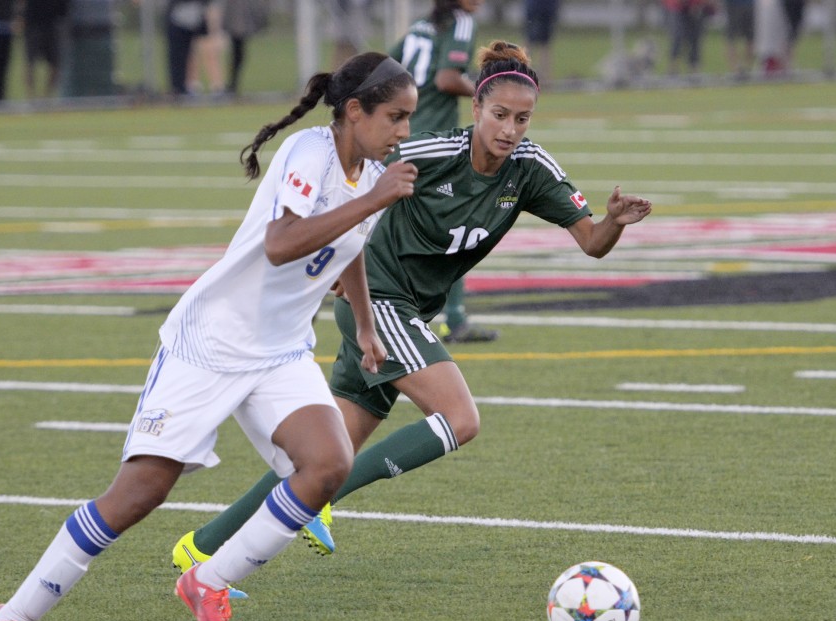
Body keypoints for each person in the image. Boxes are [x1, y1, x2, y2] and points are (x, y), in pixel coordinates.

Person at [0, 53, 417, 621]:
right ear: (352, 111)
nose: (404, 132)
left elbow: (349, 249)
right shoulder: (308, 154)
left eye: (408, 119)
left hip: (280, 349)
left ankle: (208, 581)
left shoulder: (371, 171)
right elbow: (282, 244)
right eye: (395, 117)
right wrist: (374, 202)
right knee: (138, 494)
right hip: (209, 343)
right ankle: (11, 620)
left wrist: (366, 327)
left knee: (328, 465)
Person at [171, 41, 652, 575]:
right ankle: (317, 500)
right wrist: (334, 265)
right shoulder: (425, 153)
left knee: (317, 459)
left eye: (522, 118)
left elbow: (591, 241)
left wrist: (613, 222)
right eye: (499, 115)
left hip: (404, 315)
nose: (510, 129)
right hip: (378, 304)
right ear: (476, 110)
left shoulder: (530, 169)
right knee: (459, 419)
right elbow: (350, 184)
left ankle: (202, 545)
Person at [390, 0, 499, 344]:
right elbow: (447, 77)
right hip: (433, 143)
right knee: (456, 223)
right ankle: (452, 319)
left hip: (399, 139)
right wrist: (490, 94)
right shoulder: (461, 22)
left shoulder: (421, 27)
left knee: (388, 229)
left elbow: (385, 70)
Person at [222, 0, 268, 95]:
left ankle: (232, 85)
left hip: (239, 30)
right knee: (237, 56)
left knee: (239, 56)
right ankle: (232, 85)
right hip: (237, 31)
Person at [23, 0, 67, 98]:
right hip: (33, 23)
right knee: (30, 63)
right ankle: (31, 98)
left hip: (53, 22)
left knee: (55, 63)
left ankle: (47, 98)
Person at [663, 0, 715, 77]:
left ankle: (694, 69)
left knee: (695, 38)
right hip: (677, 8)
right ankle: (673, 67)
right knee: (677, 37)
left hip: (695, 7)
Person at [525, 0, 561, 88]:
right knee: (531, 41)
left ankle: (545, 79)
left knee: (544, 43)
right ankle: (523, 73)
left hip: (547, 6)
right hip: (537, 6)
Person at [724, 0, 755, 79]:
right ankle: (737, 70)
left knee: (749, 38)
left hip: (747, 4)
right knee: (732, 38)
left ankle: (744, 69)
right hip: (735, 4)